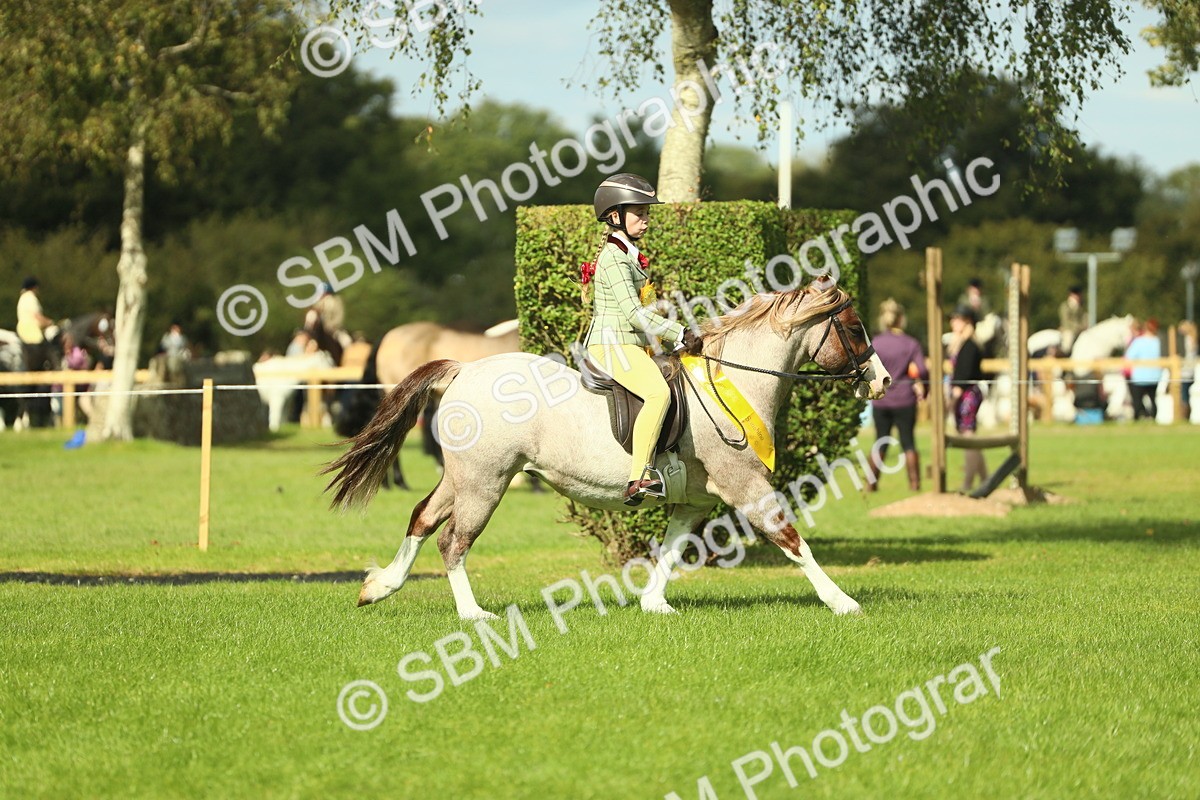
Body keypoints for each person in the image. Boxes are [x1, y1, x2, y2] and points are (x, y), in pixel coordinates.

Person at [580, 173, 702, 506]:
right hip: (611, 345)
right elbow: (635, 314)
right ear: (615, 216)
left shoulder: (627, 253)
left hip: (629, 344)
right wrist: (679, 331)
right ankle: (639, 478)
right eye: (639, 213)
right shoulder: (614, 258)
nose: (646, 220)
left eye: (647, 213)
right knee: (657, 393)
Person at [866, 298, 927, 492]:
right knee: (908, 441)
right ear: (901, 319)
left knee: (880, 440)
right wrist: (924, 388)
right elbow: (923, 370)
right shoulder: (911, 343)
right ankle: (915, 484)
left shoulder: (875, 342)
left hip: (881, 399)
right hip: (905, 399)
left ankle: (871, 484)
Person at [948, 306, 988, 493]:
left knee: (968, 437)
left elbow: (962, 376)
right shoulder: (963, 343)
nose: (952, 322)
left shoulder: (969, 345)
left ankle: (968, 483)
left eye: (957, 319)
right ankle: (986, 479)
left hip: (967, 395)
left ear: (967, 321)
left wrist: (952, 401)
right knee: (969, 436)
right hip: (965, 393)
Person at [1125, 318, 1163, 421]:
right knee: (1153, 399)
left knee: (1137, 400)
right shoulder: (1158, 341)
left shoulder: (1139, 341)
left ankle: (1140, 417)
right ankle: (1152, 418)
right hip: (1155, 376)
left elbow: (1129, 356)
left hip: (1140, 377)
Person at [16, 276, 55, 370]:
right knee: (49, 347)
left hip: (21, 329)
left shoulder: (22, 298)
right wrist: (50, 322)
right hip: (31, 330)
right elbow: (37, 317)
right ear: (34, 287)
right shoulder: (31, 297)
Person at [1058, 285, 1087, 356]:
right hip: (1068, 329)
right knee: (1068, 339)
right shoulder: (1065, 306)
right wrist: (1079, 327)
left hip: (1080, 331)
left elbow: (1084, 318)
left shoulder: (1080, 308)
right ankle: (1064, 354)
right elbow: (1066, 321)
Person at [1179, 321, 1197, 422]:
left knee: (1184, 396)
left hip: (1185, 372)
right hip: (1190, 372)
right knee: (1186, 395)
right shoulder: (1193, 340)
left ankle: (1184, 417)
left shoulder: (1187, 340)